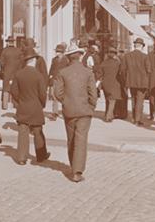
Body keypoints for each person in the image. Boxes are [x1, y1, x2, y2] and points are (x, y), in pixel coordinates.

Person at [54, 42, 97, 183]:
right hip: (84, 110)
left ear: (68, 57)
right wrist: (91, 106)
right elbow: (93, 93)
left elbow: (57, 93)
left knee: (71, 139)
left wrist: (66, 101)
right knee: (81, 140)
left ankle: (74, 166)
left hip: (69, 110)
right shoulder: (88, 72)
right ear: (80, 56)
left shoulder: (62, 72)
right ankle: (77, 171)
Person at [10, 47, 49, 165]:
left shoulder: (18, 74)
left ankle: (22, 157)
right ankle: (41, 155)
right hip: (36, 106)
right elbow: (43, 94)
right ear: (33, 60)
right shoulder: (38, 75)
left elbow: (14, 91)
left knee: (23, 131)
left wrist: (20, 101)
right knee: (38, 131)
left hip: (23, 106)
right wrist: (42, 104)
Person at [120, 37, 152, 126]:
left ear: (134, 45)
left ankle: (134, 118)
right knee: (140, 101)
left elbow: (122, 70)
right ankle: (137, 119)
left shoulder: (127, 56)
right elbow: (149, 70)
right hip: (142, 82)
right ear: (142, 46)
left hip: (131, 81)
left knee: (133, 99)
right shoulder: (145, 56)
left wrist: (125, 80)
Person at [99, 47, 124, 122]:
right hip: (114, 83)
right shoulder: (117, 63)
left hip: (105, 83)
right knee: (112, 100)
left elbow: (100, 73)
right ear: (114, 54)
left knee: (108, 99)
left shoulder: (103, 63)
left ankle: (108, 113)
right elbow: (120, 73)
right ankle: (108, 116)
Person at [0, 36, 22, 113]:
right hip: (16, 72)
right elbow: (21, 62)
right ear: (13, 42)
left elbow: (1, 62)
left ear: (8, 42)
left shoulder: (5, 51)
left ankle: (5, 105)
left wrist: (3, 69)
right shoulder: (18, 51)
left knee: (6, 88)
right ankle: (15, 104)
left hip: (7, 72)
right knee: (16, 88)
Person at [47, 43, 69, 120]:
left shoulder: (67, 60)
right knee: (54, 96)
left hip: (63, 80)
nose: (57, 53)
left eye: (59, 52)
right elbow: (51, 69)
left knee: (64, 96)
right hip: (55, 80)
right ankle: (55, 113)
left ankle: (66, 112)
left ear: (62, 52)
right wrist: (49, 78)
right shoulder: (54, 59)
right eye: (57, 51)